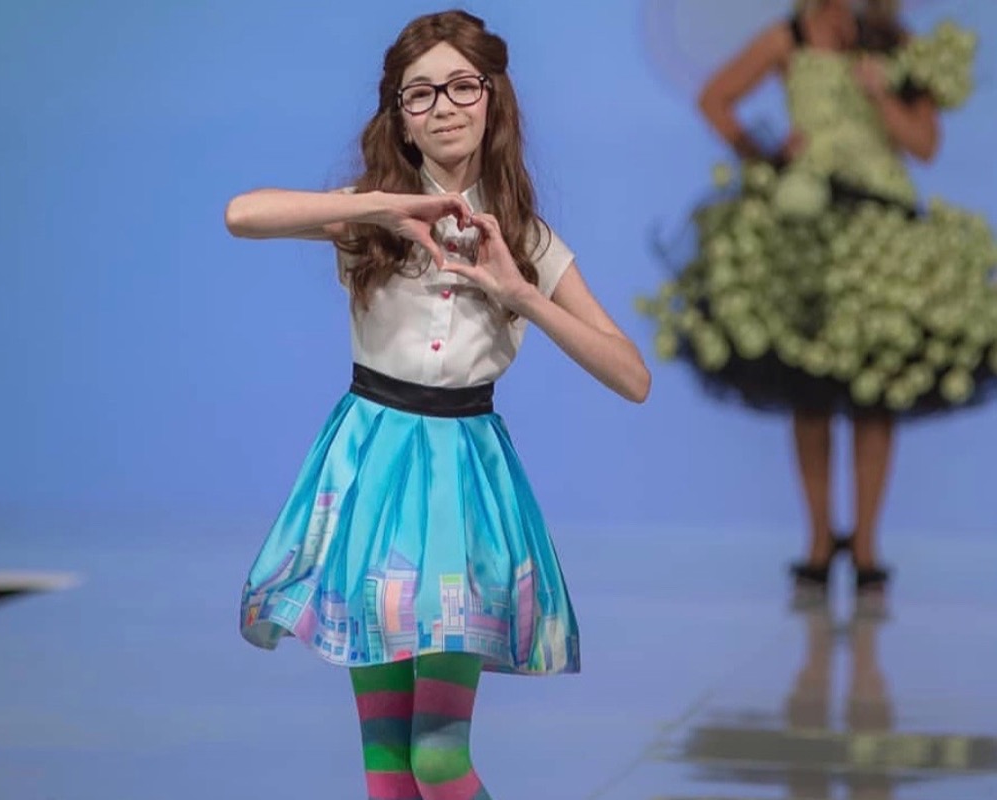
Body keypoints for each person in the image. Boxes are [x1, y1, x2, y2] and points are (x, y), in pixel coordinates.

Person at [225, 9, 649, 799]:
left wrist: (522, 294)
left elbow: (632, 375)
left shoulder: (526, 239)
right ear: (400, 117)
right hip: (369, 473)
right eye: (419, 94)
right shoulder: (370, 217)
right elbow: (241, 214)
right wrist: (373, 207)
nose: (444, 106)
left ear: (493, 100)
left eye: (461, 86)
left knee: (439, 757)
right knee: (386, 763)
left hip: (462, 486)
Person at [638, 0, 996, 600]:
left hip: (884, 231)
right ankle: (818, 540)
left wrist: (881, 96)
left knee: (877, 396)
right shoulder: (791, 36)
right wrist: (767, 157)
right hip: (807, 230)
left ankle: (867, 545)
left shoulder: (896, 43)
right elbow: (715, 98)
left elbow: (925, 144)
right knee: (808, 391)